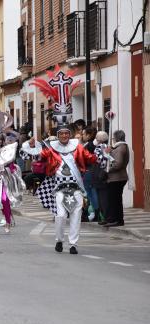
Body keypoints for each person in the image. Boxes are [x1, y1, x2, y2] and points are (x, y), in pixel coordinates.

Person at [22, 68, 97, 254]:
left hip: (76, 188)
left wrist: (101, 152)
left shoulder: (78, 146)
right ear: (58, 134)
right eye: (61, 133)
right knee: (61, 215)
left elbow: (91, 159)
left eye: (66, 133)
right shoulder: (51, 147)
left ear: (69, 134)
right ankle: (59, 239)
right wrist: (30, 144)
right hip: (59, 189)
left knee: (77, 215)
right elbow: (36, 154)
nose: (64, 136)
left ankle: (73, 244)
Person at [104, 130, 130, 227]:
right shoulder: (121, 147)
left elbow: (118, 164)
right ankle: (116, 219)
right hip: (118, 177)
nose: (113, 140)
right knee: (116, 199)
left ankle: (115, 219)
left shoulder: (120, 148)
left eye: (113, 138)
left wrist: (108, 170)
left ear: (117, 138)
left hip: (117, 178)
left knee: (114, 199)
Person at [92, 131, 110, 224]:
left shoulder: (99, 148)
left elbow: (101, 161)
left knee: (102, 197)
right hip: (104, 175)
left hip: (100, 175)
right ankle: (106, 216)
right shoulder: (108, 146)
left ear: (98, 139)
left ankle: (105, 217)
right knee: (105, 197)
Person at [81, 127, 99, 221]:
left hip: (89, 171)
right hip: (94, 171)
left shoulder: (89, 146)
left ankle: (96, 213)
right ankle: (96, 213)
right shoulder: (95, 145)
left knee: (91, 194)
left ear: (88, 135)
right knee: (92, 193)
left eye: (83, 134)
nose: (82, 136)